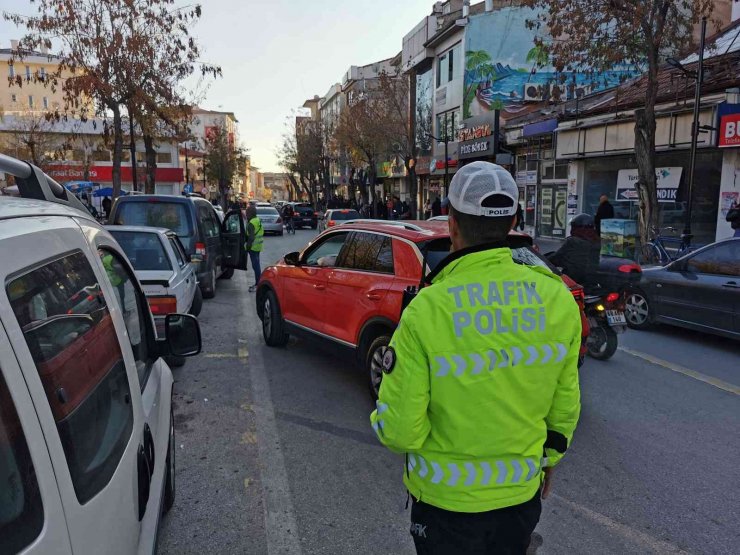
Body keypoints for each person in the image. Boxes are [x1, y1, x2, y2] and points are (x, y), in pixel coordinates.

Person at [371, 161, 582, 554]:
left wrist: (380, 419)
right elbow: (564, 403)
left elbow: (400, 432)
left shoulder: (427, 309)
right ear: (514, 220)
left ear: (451, 222)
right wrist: (550, 458)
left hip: (445, 509)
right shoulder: (556, 298)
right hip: (520, 500)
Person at [548, 213, 602, 291]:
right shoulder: (596, 242)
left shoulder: (572, 241)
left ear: (578, 228)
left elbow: (558, 257)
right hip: (591, 281)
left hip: (573, 281)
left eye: (573, 227)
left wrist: (544, 260)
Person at [245, 206, 264, 292]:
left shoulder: (251, 223)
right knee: (257, 265)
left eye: (247, 212)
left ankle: (258, 284)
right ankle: (258, 283)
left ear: (250, 213)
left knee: (255, 266)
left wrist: (247, 247)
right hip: (258, 247)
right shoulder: (257, 220)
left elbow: (251, 237)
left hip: (253, 247)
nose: (246, 214)